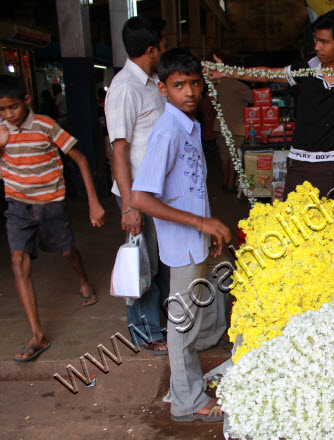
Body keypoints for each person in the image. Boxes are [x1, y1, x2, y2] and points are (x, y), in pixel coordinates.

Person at [208, 8, 334, 198]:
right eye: (316, 40)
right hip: (297, 163)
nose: (317, 47)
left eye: (324, 42)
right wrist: (229, 71)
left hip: (330, 166)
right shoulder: (306, 69)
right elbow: (267, 73)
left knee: (326, 229)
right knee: (294, 229)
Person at [131, 48, 231, 422]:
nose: (188, 91)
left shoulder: (187, 125)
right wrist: (200, 224)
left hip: (194, 240)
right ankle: (189, 402)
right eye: (178, 85)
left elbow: (188, 188)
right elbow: (141, 197)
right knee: (182, 324)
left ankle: (185, 385)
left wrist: (206, 226)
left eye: (194, 83)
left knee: (200, 306)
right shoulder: (168, 131)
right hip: (181, 242)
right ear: (162, 89)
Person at [0, 74, 106, 362]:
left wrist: (93, 202)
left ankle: (83, 279)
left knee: (66, 250)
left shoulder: (46, 125)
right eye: (2, 110)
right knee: (18, 260)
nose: (8, 115)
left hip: (50, 204)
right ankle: (38, 335)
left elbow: (81, 160)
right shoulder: (1, 130)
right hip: (18, 205)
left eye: (13, 107)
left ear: (27, 101)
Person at [104, 16, 170, 355]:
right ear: (151, 49)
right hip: (137, 195)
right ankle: (144, 332)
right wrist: (129, 206)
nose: (164, 49)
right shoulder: (124, 89)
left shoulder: (152, 81)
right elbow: (119, 150)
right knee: (143, 263)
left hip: (156, 192)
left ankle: (159, 320)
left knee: (160, 260)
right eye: (162, 44)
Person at [209, 54, 253, 192]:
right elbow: (254, 98)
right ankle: (230, 184)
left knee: (225, 156)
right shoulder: (238, 85)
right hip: (236, 128)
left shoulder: (218, 85)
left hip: (220, 126)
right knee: (235, 157)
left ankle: (225, 182)